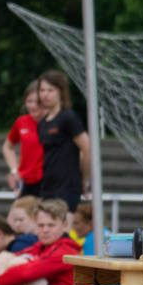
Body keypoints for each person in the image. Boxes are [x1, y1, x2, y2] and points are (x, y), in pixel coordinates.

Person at [37, 69, 91, 212]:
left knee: (61, 229)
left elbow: (87, 148)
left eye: (50, 90)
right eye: (42, 90)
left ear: (61, 92)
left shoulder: (68, 117)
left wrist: (84, 179)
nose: (45, 94)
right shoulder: (43, 122)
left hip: (66, 187)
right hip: (48, 186)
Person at [1, 80, 44, 197]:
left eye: (38, 102)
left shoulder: (53, 122)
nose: (33, 106)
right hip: (26, 182)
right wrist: (14, 170)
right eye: (29, 101)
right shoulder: (21, 122)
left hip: (48, 181)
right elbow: (7, 147)